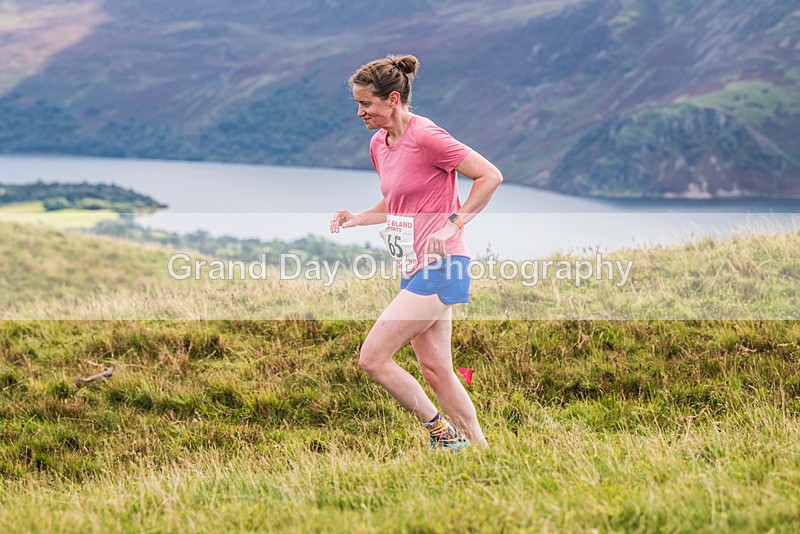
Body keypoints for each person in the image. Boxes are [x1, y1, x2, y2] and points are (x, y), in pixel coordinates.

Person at [330, 54, 502, 450]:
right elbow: (398, 202)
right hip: (413, 266)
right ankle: (479, 451)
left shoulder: (427, 136)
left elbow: (490, 176)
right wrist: (358, 217)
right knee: (436, 370)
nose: (359, 112)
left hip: (444, 263)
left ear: (392, 99)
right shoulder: (379, 143)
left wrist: (453, 224)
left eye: (366, 103)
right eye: (357, 103)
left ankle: (441, 434)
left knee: (373, 358)